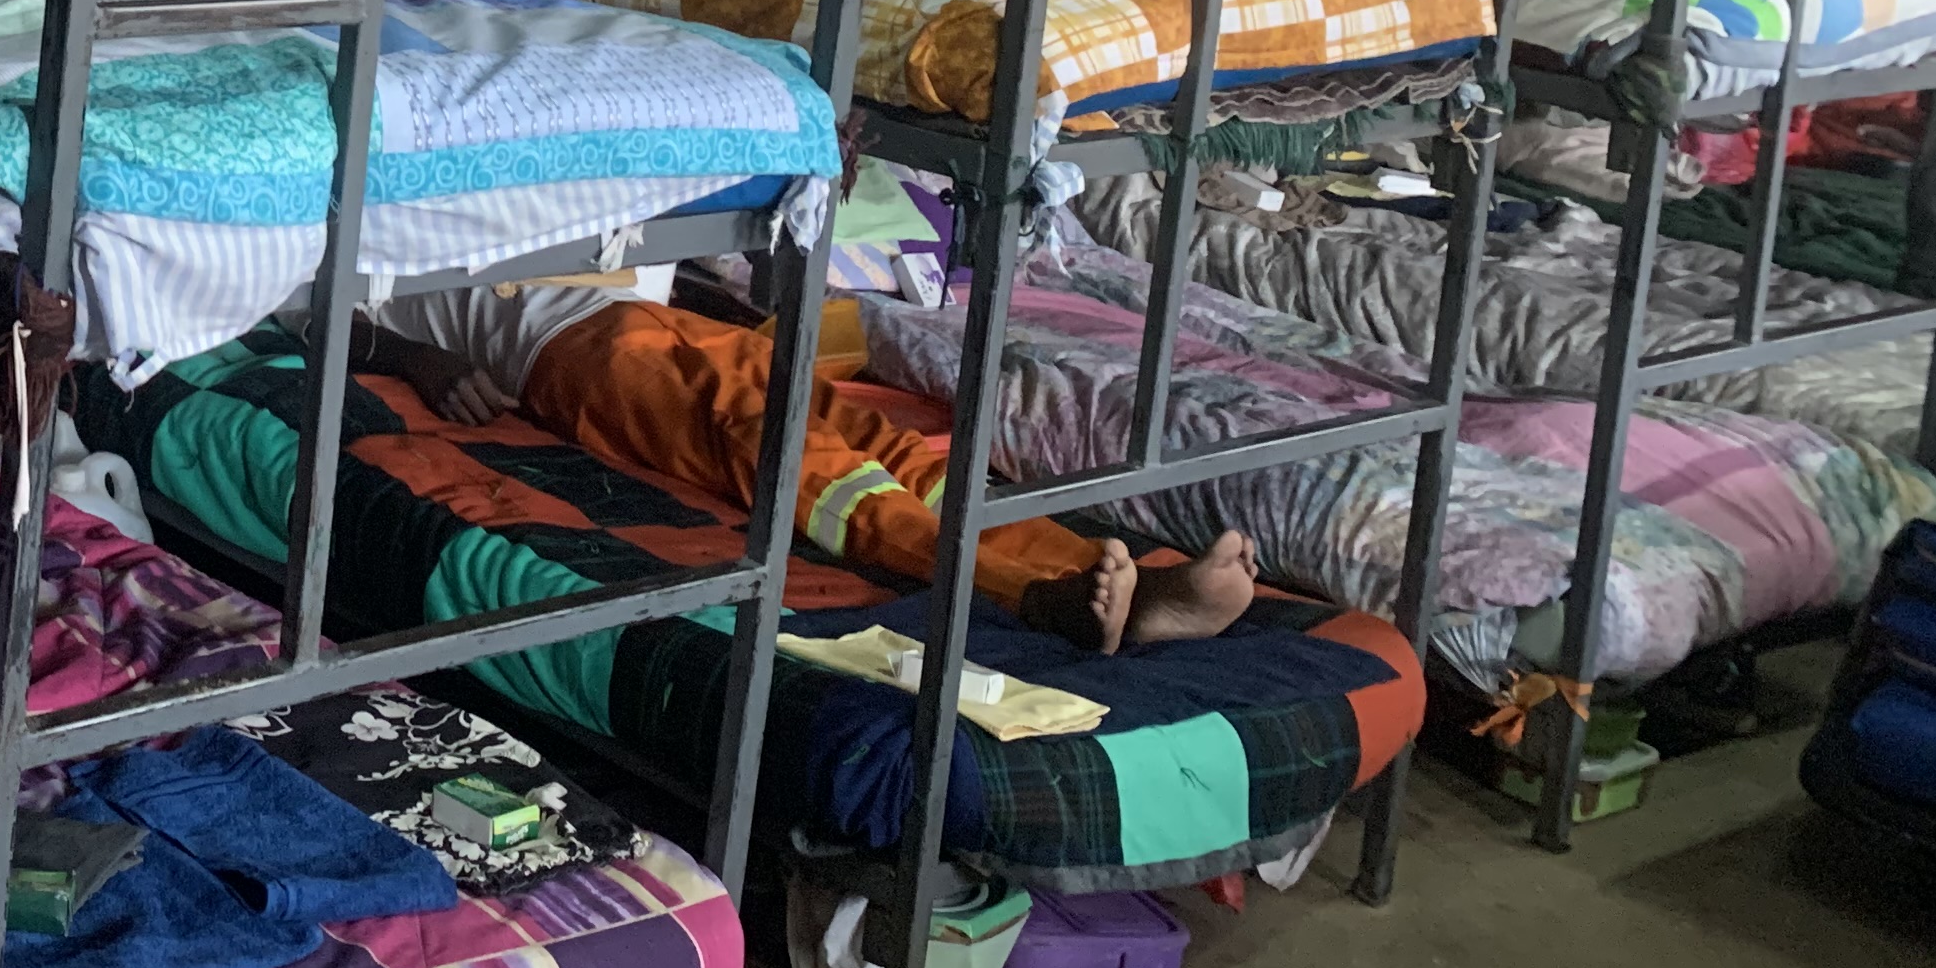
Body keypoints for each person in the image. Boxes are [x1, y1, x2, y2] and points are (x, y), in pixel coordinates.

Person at [351, 283, 1257, 657]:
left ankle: (1100, 576)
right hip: (570, 349)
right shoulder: (377, 197)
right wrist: (415, 359)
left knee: (891, 450)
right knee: (788, 453)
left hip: (667, 319)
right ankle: (1029, 593)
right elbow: (322, 316)